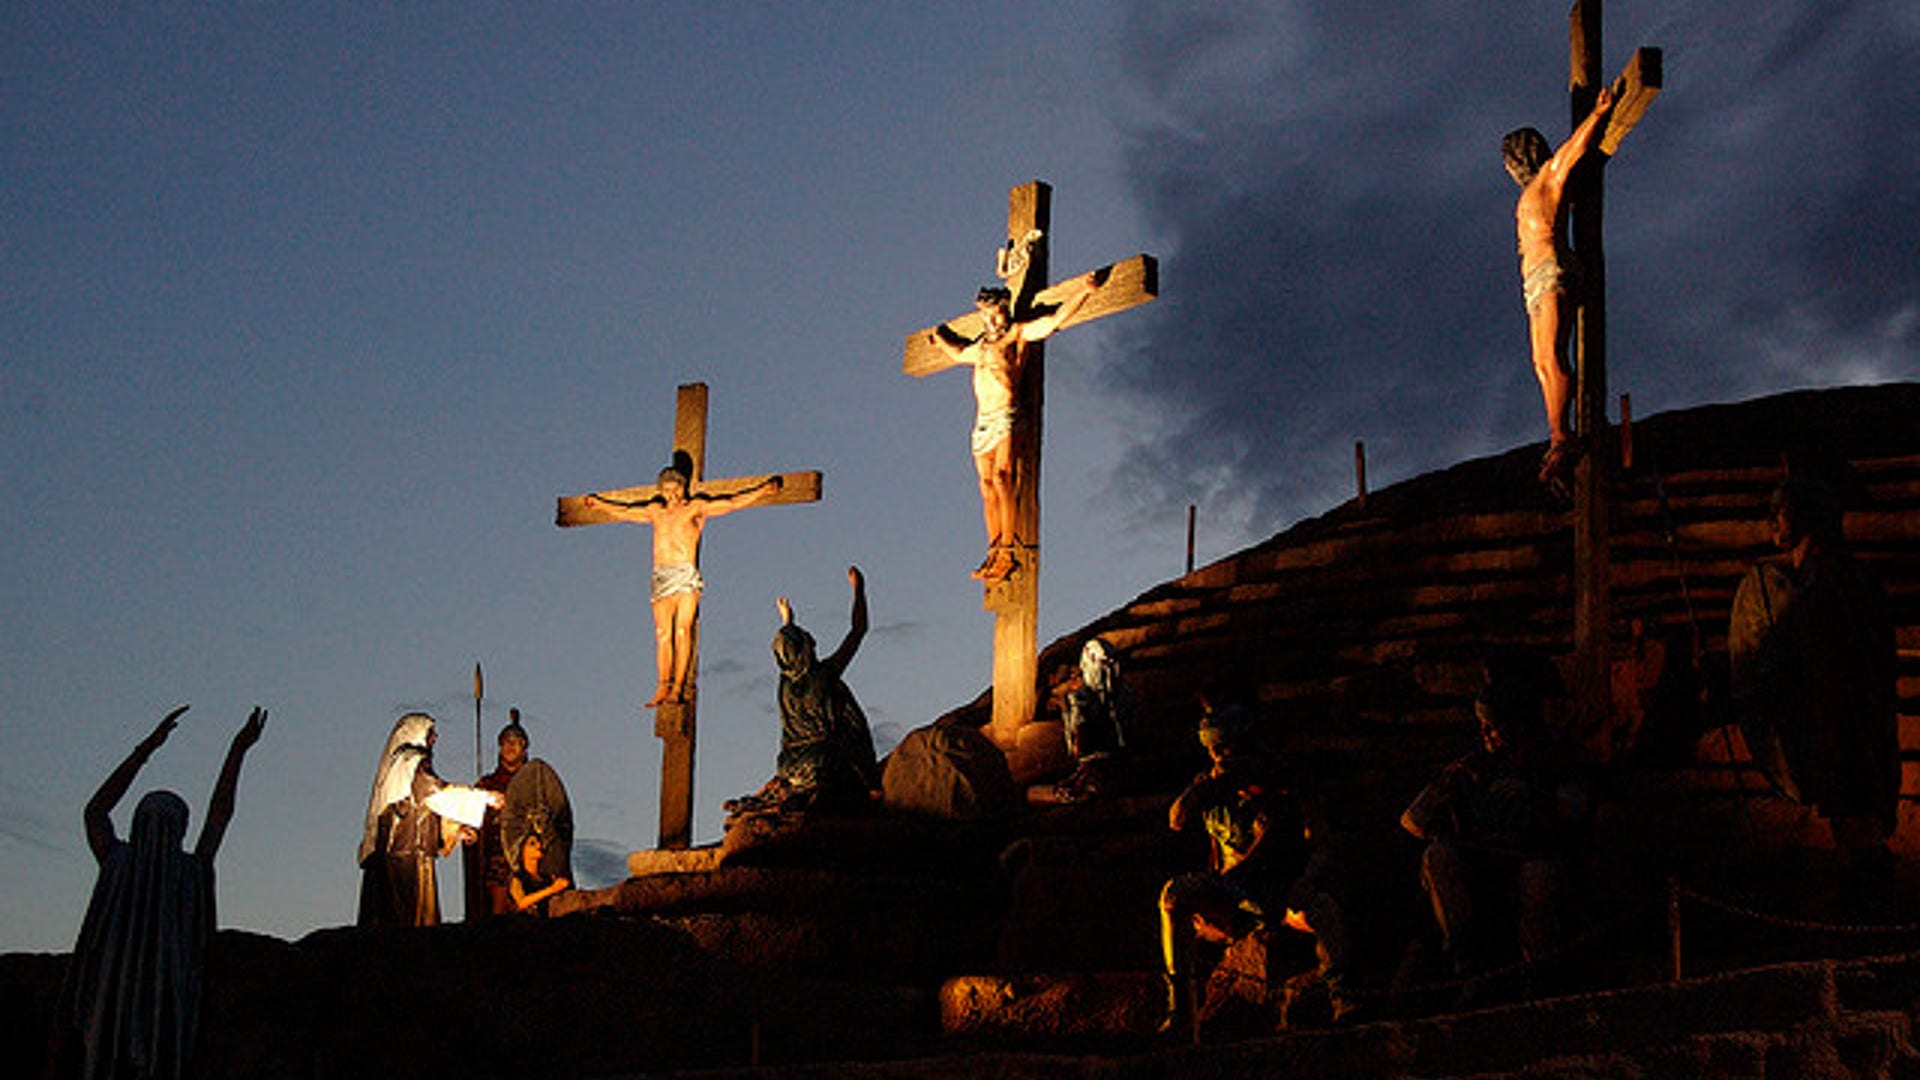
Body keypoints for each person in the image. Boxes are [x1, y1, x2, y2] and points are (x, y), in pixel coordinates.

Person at [49, 705, 266, 1080]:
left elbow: (96, 811)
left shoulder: (122, 864)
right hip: (160, 1014)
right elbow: (219, 815)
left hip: (121, 1011)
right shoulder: (184, 872)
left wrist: (146, 750)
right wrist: (237, 751)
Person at [1731, 476, 1900, 896]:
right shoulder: (1822, 577)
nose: (1772, 521)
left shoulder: (1830, 579)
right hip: (1839, 726)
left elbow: (1839, 661)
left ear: (1805, 519)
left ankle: (1870, 923)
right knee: (1850, 824)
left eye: (1781, 511)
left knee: (1858, 827)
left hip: (1846, 726)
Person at [1157, 703, 1352, 1033]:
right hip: (1232, 893)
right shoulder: (1213, 787)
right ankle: (1180, 1011)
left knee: (1325, 911)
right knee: (1174, 896)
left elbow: (1322, 844)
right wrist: (1206, 788)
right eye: (1212, 750)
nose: (1218, 755)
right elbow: (1177, 818)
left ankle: (1343, 997)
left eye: (1224, 747)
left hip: (1281, 890)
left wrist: (1307, 880)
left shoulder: (1287, 783)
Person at [1400, 674, 1586, 987]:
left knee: (1537, 878)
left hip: (1529, 859)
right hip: (1479, 865)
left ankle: (1541, 972)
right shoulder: (1470, 768)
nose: (1486, 733)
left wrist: (1536, 798)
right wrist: (1443, 818)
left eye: (1494, 725)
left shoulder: (1551, 763)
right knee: (1437, 857)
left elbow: (1574, 812)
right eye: (1482, 725)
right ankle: (1465, 961)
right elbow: (1412, 818)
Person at [927, 271, 1103, 580]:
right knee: (986, 487)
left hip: (1006, 416)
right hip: (982, 422)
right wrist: (940, 340)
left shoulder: (1016, 334)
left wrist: (1083, 293)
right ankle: (993, 549)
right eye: (986, 316)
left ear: (1005, 311)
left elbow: (1052, 322)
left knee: (1002, 476)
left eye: (995, 314)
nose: (991, 322)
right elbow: (956, 352)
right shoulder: (980, 346)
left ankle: (1008, 549)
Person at [583, 466, 784, 706]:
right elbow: (626, 512)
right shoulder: (655, 511)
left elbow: (731, 502)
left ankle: (678, 687)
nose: (672, 495)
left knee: (682, 631)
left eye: (675, 489)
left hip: (685, 573)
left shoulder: (695, 507)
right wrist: (600, 504)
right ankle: (662, 686)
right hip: (661, 575)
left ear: (683, 488)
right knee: (663, 634)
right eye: (666, 490)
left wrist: (761, 491)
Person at [1504, 85, 1615, 487]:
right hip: (1535, 282)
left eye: (1511, 160)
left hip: (1552, 268)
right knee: (1540, 362)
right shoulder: (1532, 192)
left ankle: (1560, 435)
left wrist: (1599, 113)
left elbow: (1573, 149)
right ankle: (1557, 431)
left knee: (1551, 355)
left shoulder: (1550, 176)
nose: (1510, 170)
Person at [724, 566, 880, 818]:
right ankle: (869, 788)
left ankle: (779, 796)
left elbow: (789, 650)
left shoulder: (784, 685)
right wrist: (859, 589)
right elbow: (858, 630)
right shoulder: (824, 674)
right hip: (823, 761)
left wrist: (788, 621)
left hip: (787, 764)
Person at [357, 712, 502, 928]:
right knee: (409, 917)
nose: (435, 738)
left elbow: (425, 808)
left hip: (409, 853)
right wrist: (484, 798)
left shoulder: (403, 763)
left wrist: (455, 831)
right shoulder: (410, 761)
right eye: (430, 732)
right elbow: (436, 795)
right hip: (405, 855)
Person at [1032, 637, 1134, 804]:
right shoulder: (1126, 695)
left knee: (1033, 793)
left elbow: (1080, 744)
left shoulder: (1081, 699)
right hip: (1123, 768)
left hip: (1094, 773)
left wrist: (1068, 715)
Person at [466, 711, 528, 919]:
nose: (510, 747)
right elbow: (472, 819)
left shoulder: (533, 784)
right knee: (497, 911)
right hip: (496, 857)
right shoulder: (487, 785)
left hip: (526, 856)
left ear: (524, 748)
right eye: (505, 743)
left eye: (516, 743)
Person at [508, 828, 572, 917]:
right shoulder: (517, 878)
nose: (538, 845)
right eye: (532, 844)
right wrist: (552, 889)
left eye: (539, 842)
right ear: (522, 851)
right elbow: (521, 902)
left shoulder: (546, 877)